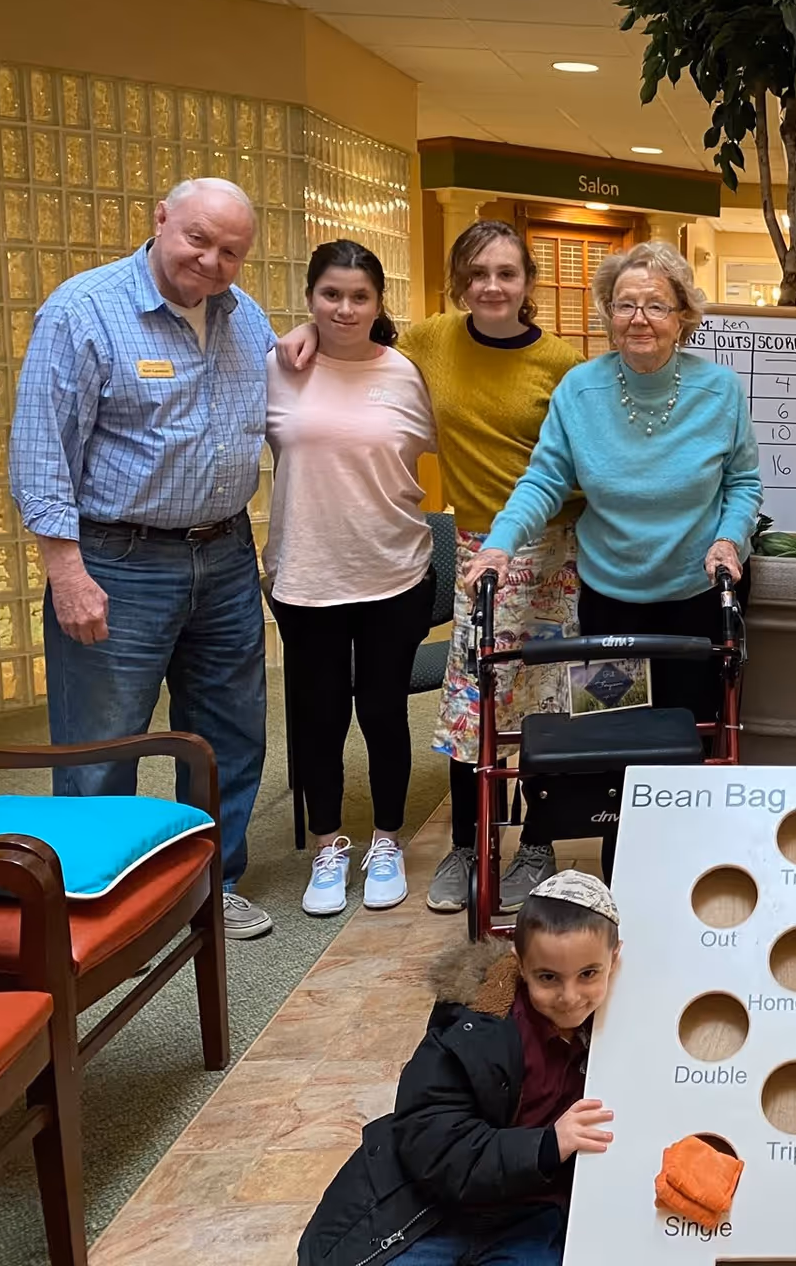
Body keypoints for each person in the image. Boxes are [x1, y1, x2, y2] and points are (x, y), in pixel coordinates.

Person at [10, 177, 302, 942]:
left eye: (230, 251)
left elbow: (287, 407)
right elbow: (42, 456)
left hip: (225, 556)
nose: (210, 261)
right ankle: (93, 911)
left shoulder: (248, 322)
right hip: (118, 562)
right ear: (161, 219)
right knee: (103, 746)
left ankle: (211, 884)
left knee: (229, 738)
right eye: (197, 239)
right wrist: (66, 574)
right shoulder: (84, 311)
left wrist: (311, 344)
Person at [466, 241, 762, 732]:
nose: (639, 318)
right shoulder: (580, 390)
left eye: (656, 305)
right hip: (610, 601)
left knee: (692, 735)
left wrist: (729, 541)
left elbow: (743, 483)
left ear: (682, 315)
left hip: (698, 594)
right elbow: (544, 480)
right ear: (609, 312)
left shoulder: (720, 390)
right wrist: (500, 547)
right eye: (625, 304)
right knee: (612, 734)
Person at [390, 222, 584, 914]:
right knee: (471, 702)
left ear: (527, 283)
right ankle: (470, 848)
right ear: (458, 281)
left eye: (506, 273)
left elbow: (583, 459)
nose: (492, 286)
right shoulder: (429, 340)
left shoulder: (562, 363)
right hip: (478, 545)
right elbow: (359, 347)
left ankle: (537, 843)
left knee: (544, 702)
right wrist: (304, 341)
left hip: (554, 548)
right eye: (477, 273)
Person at [295, 870, 621, 1266]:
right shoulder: (472, 1030)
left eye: (588, 974)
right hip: (435, 1209)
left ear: (614, 960)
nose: (570, 997)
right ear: (520, 965)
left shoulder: (618, 1030)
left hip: (532, 1218)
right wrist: (547, 1145)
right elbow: (434, 1140)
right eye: (548, 977)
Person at [265, 240, 437, 917]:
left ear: (378, 303)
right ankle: (329, 843)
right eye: (330, 295)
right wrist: (299, 338)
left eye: (359, 296)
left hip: (394, 569)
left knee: (384, 711)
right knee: (319, 713)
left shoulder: (407, 373)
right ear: (310, 297)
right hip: (306, 574)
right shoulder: (277, 369)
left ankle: (387, 840)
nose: (344, 307)